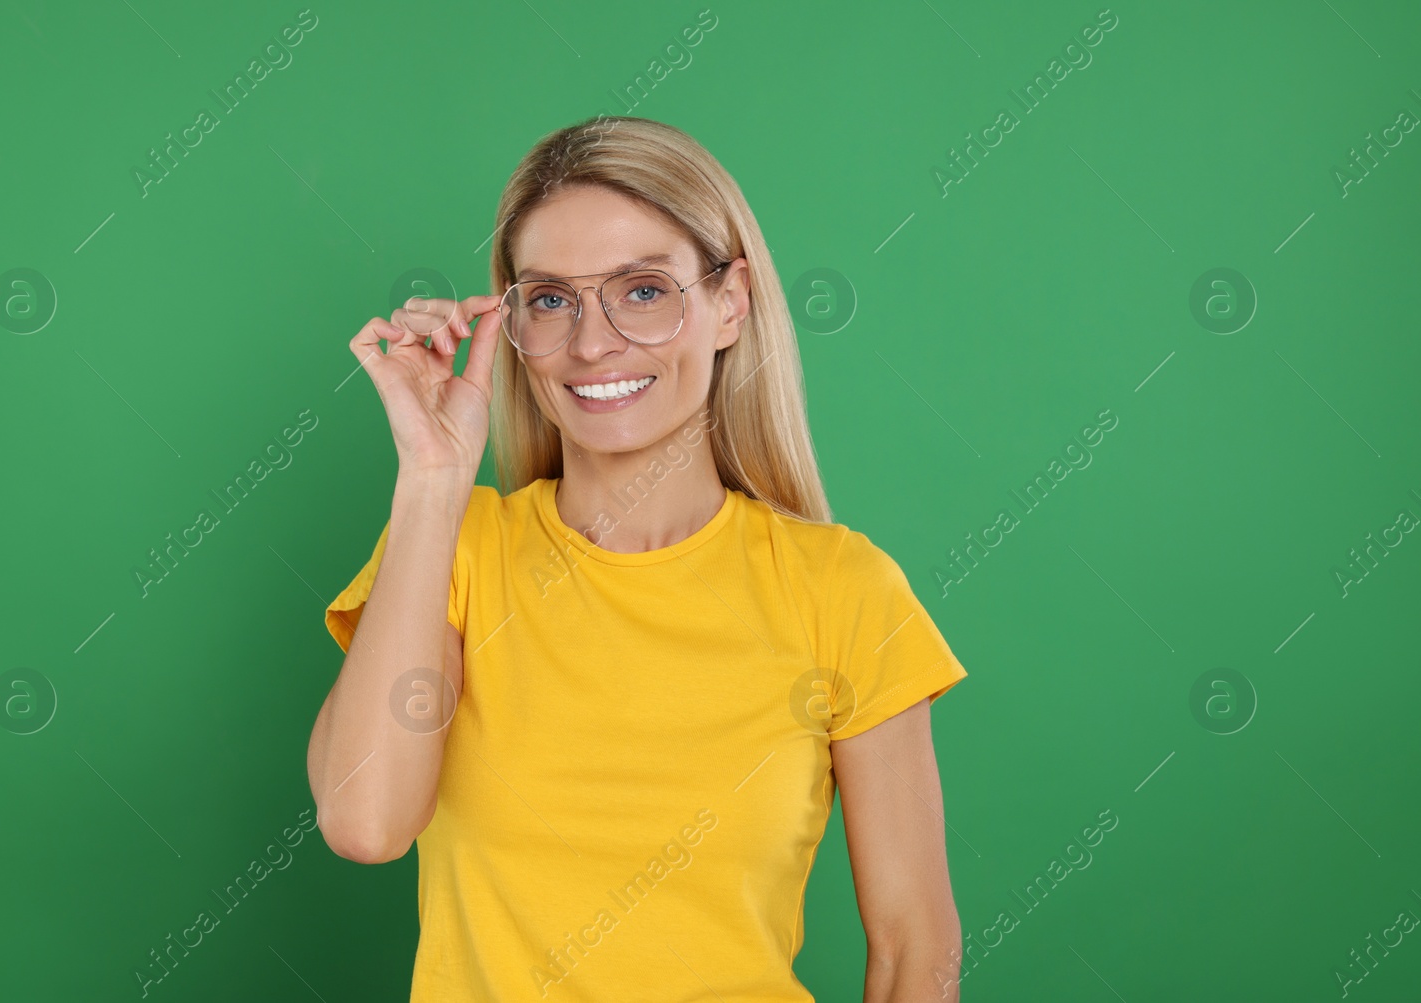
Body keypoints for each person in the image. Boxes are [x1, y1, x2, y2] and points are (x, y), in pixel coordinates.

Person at [306, 115, 970, 1002]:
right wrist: (433, 477)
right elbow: (364, 822)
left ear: (730, 300)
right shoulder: (457, 553)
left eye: (644, 290)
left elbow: (912, 955)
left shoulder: (840, 589)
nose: (591, 343)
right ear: (508, 324)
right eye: (550, 299)